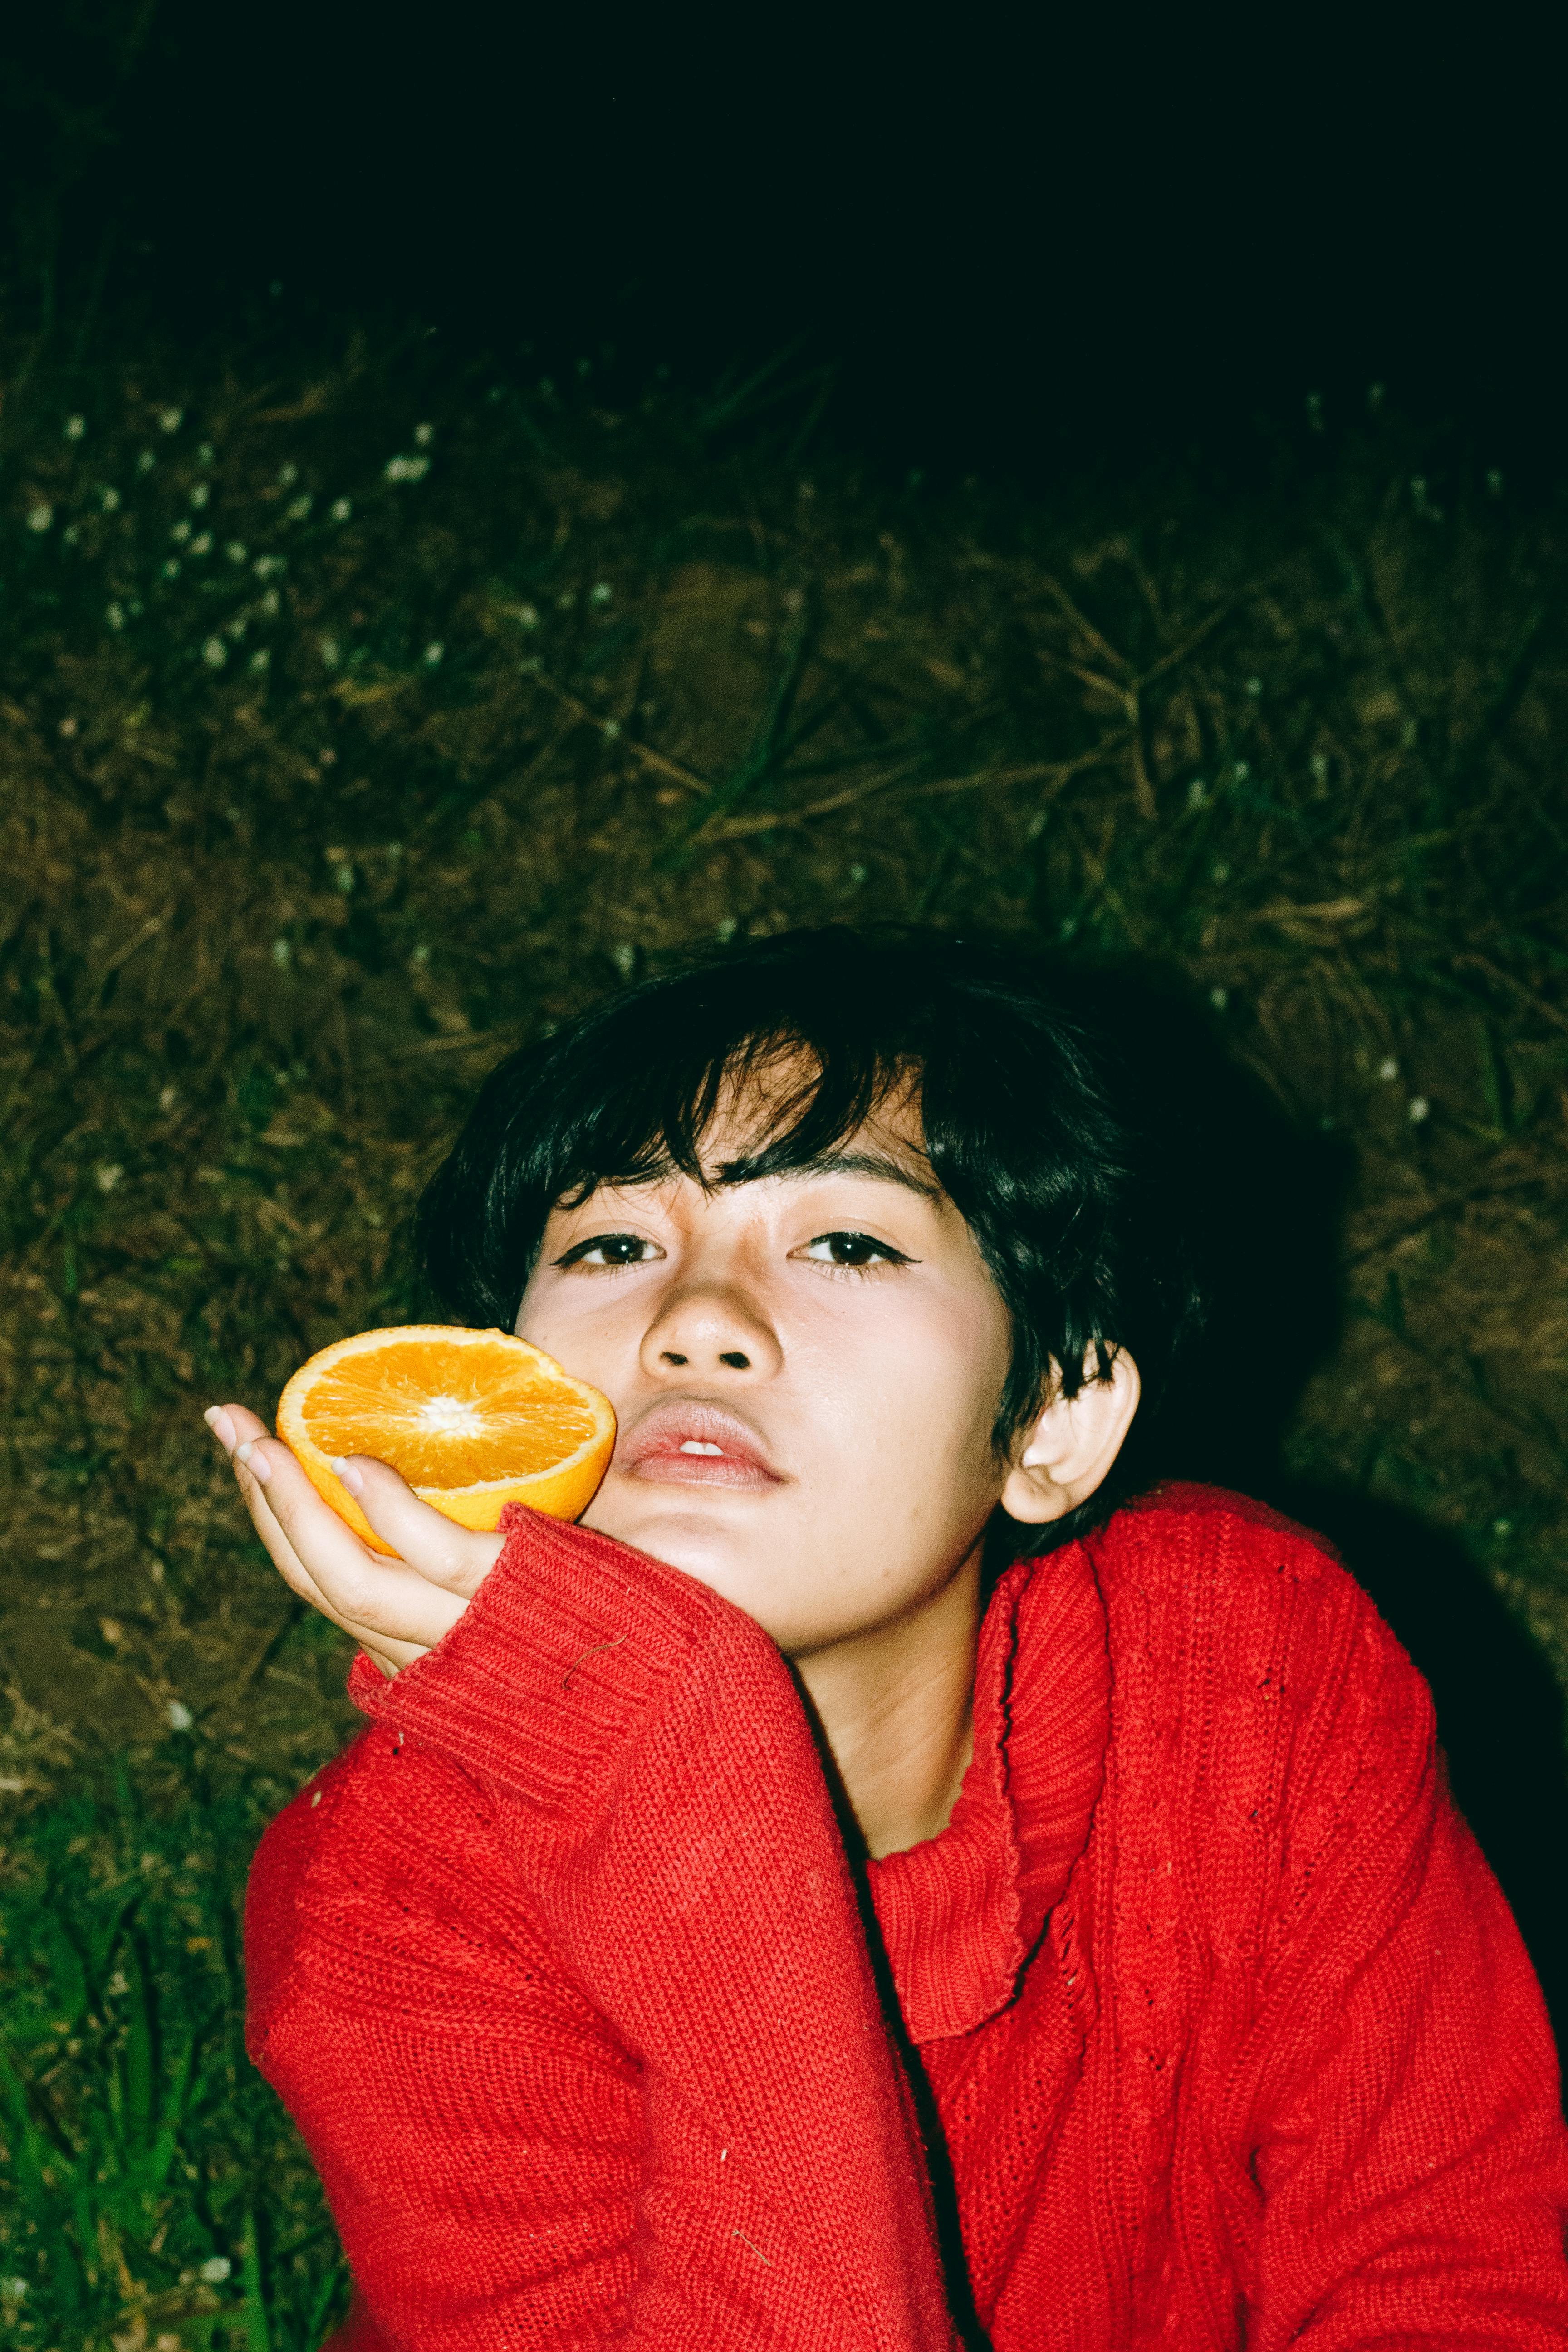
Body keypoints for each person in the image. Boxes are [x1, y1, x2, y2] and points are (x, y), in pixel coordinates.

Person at [211, 928, 1568, 2350]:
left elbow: (1449, 2262)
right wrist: (678, 1763)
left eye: (846, 1242)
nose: (696, 1321)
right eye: (613, 1243)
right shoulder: (396, 1896)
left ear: (1052, 1418)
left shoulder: (1242, 1658)